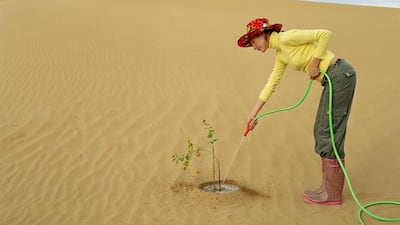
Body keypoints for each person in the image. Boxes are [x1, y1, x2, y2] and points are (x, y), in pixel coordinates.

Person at [237, 17, 356, 205]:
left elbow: (324, 34)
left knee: (329, 132)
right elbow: (271, 83)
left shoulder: (286, 38)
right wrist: (254, 113)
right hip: (332, 81)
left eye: (253, 41)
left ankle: (332, 195)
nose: (253, 46)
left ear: (263, 34)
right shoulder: (281, 54)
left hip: (340, 76)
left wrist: (315, 63)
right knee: (321, 130)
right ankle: (327, 189)